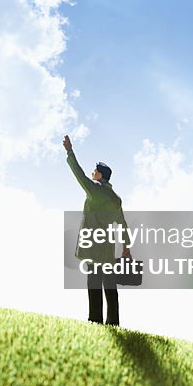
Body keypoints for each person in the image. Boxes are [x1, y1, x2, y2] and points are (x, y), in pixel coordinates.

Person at [63, 134, 128, 326]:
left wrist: (69, 152)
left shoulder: (95, 190)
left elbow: (79, 175)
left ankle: (95, 320)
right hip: (108, 250)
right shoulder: (116, 198)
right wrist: (126, 247)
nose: (93, 173)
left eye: (95, 171)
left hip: (93, 248)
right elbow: (122, 223)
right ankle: (114, 322)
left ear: (100, 175)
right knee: (110, 287)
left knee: (94, 284)